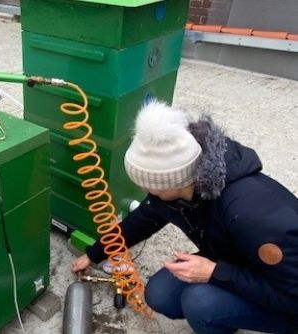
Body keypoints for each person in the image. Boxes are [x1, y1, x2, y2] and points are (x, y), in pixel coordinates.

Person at [71, 100, 298, 334]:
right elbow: (142, 220)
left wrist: (215, 273)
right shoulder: (181, 188)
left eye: (150, 185)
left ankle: (218, 316)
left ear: (173, 181)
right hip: (238, 261)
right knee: (160, 294)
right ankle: (228, 316)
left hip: (289, 302)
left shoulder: (252, 214)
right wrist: (95, 253)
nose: (146, 191)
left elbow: (293, 295)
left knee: (199, 301)